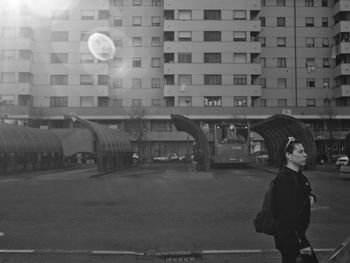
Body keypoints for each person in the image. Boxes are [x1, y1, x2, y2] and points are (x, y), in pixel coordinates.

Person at [273, 137, 317, 263]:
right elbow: (286, 215)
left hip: (296, 235)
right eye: (300, 152)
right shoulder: (285, 179)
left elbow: (308, 195)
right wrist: (300, 242)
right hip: (291, 237)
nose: (305, 154)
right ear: (288, 155)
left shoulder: (299, 177)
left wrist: (311, 198)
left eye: (304, 151)